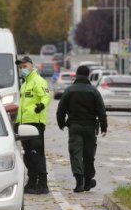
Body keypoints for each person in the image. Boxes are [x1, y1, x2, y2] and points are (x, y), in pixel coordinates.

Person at [56, 64, 108, 193]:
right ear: (88, 75)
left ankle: (79, 181)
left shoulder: (69, 90)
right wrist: (104, 127)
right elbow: (101, 110)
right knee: (89, 154)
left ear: (76, 75)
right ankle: (88, 180)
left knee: (75, 153)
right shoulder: (94, 91)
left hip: (74, 126)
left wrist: (61, 123)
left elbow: (61, 109)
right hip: (90, 127)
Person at [16, 55, 50, 194]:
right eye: (20, 67)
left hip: (36, 123)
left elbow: (46, 96)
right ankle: (31, 182)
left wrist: (41, 106)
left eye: (24, 66)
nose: (22, 69)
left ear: (31, 65)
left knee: (37, 154)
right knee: (28, 155)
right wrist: (17, 122)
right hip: (24, 124)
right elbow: (22, 106)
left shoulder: (38, 80)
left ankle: (42, 184)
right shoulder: (25, 84)